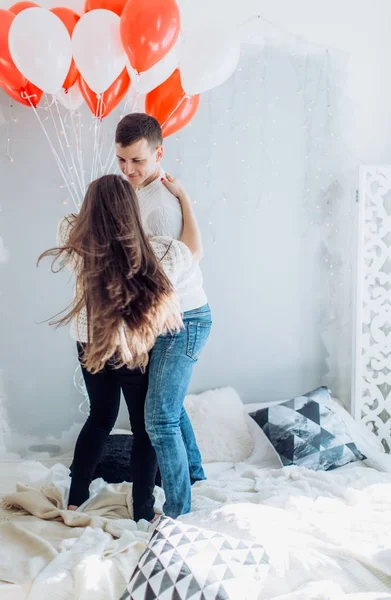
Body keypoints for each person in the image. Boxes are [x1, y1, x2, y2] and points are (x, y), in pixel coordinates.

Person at [38, 172, 210, 520]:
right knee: (143, 428)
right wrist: (183, 199)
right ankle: (143, 510)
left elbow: (69, 220)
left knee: (100, 417)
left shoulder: (77, 245)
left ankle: (76, 496)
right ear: (133, 211)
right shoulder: (159, 253)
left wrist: (95, 209)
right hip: (131, 348)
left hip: (90, 343)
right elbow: (192, 250)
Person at [115, 113, 211, 517]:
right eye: (121, 160)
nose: (128, 169)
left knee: (158, 419)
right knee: (168, 405)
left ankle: (177, 512)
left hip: (182, 320)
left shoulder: (159, 205)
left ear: (158, 153)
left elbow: (186, 259)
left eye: (137, 161)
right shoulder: (138, 192)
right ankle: (196, 474)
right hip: (164, 319)